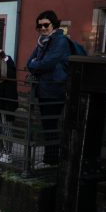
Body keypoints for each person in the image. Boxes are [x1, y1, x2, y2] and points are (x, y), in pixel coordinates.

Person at [26, 10, 71, 169]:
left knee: (51, 124)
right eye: (40, 26)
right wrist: (35, 64)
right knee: (47, 124)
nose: (43, 28)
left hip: (55, 89)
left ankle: (51, 160)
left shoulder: (60, 41)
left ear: (54, 24)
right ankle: (50, 159)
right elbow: (28, 61)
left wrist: (35, 65)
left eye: (46, 24)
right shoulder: (42, 41)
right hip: (44, 89)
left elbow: (48, 62)